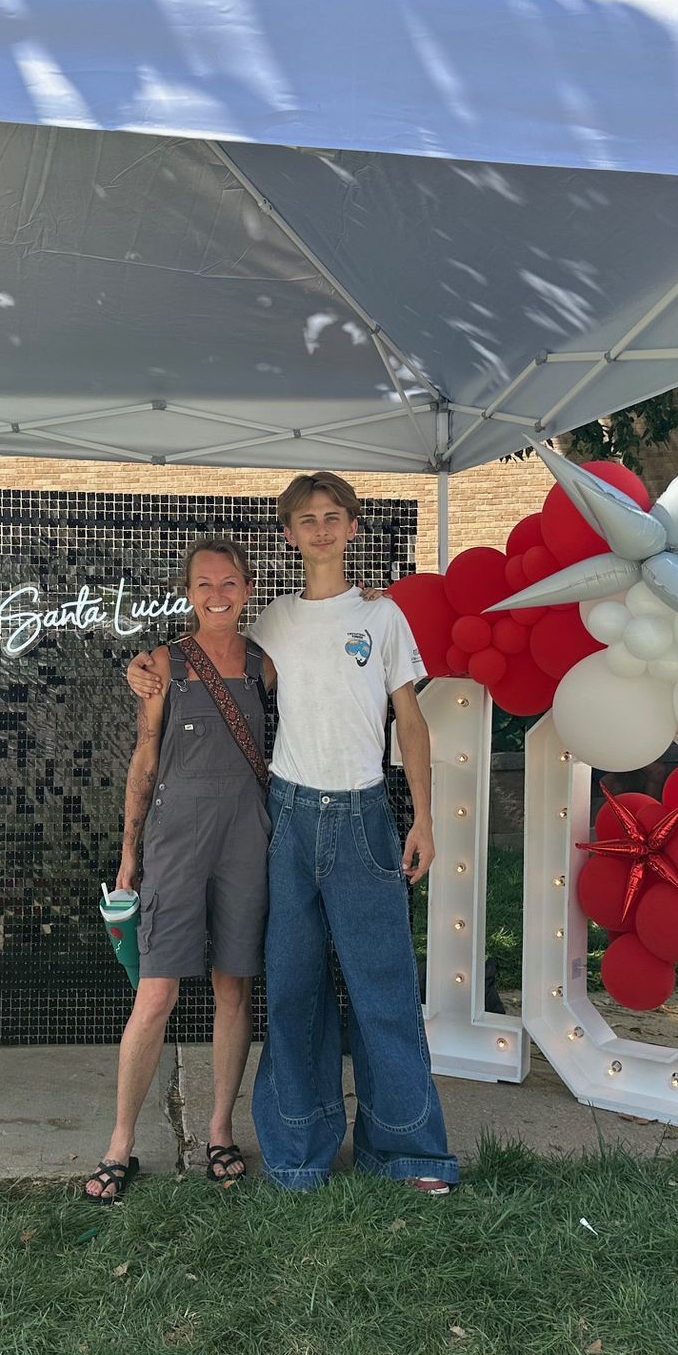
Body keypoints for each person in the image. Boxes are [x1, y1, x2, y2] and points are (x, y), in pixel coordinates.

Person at [129, 472, 457, 1194]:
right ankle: (296, 1153)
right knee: (294, 990)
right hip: (290, 819)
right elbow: (203, 652)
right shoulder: (269, 623)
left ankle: (409, 1151)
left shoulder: (384, 618)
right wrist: (144, 668)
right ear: (288, 533)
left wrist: (424, 818)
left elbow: (410, 720)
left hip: (367, 816)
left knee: (385, 990)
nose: (319, 528)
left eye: (332, 517)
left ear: (353, 527)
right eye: (305, 519)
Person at [85, 536, 274, 1202]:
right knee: (157, 993)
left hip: (246, 841)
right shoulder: (165, 664)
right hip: (174, 841)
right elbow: (143, 760)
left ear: (247, 591)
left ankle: (221, 1129)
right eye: (204, 584)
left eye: (229, 584)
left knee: (232, 989)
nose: (217, 595)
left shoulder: (264, 664)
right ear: (188, 593)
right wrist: (130, 854)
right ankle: (120, 1143)